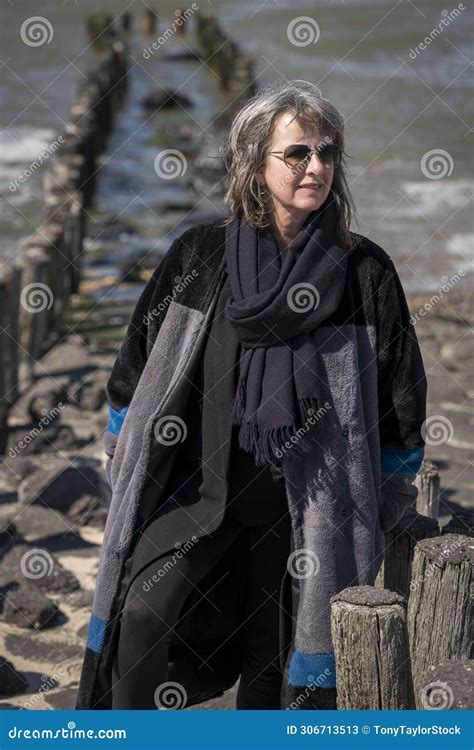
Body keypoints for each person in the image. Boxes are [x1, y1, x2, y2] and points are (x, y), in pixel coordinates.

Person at [76, 80, 427, 711]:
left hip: (309, 514)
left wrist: (392, 497)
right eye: (297, 153)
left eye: (327, 153)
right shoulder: (201, 253)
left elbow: (402, 396)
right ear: (254, 165)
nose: (315, 166)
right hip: (196, 493)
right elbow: (136, 361)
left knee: (278, 668)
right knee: (144, 616)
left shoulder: (365, 271)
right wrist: (121, 449)